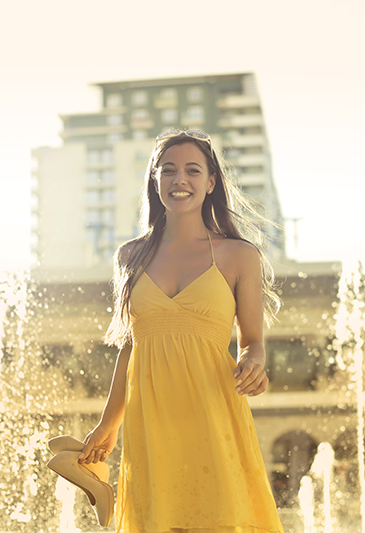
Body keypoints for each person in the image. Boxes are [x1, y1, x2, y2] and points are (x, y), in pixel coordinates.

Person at [77, 129, 284, 533]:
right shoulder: (130, 256)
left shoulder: (239, 255)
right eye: (168, 170)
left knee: (221, 518)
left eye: (192, 170)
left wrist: (253, 363)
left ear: (210, 183)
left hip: (212, 405)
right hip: (150, 413)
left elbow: (253, 341)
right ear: (154, 181)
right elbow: (130, 347)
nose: (179, 180)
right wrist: (108, 423)